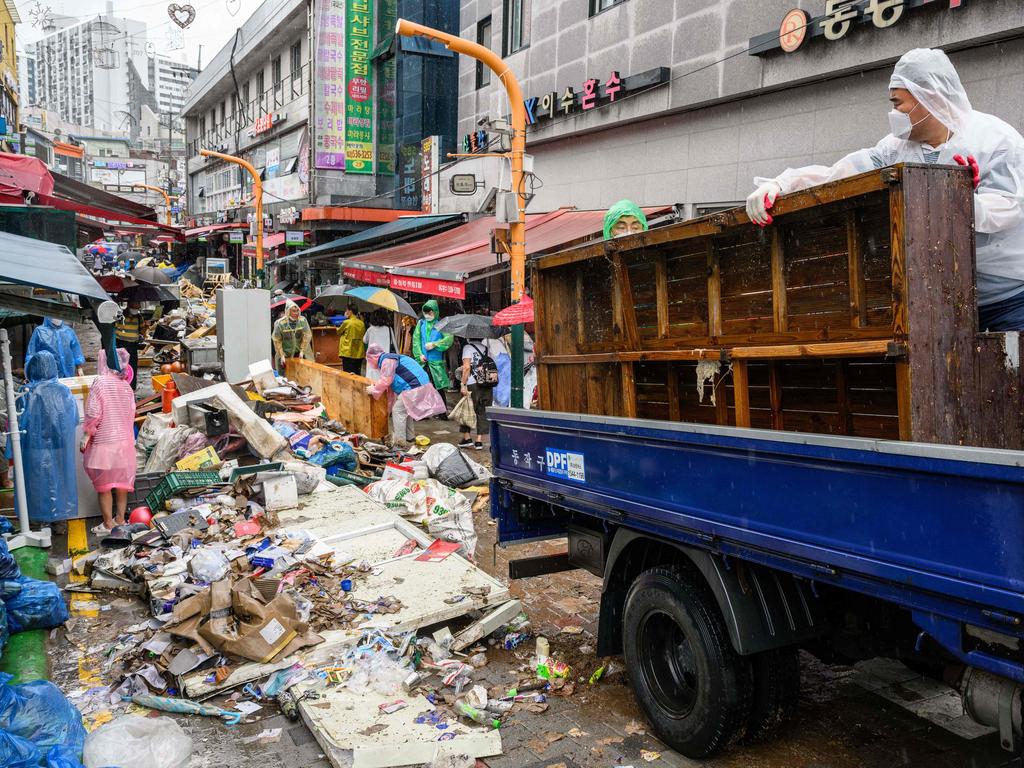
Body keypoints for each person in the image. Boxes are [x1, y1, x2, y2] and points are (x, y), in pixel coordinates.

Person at [746, 48, 1024, 331]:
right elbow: (839, 175)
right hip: (942, 301)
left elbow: (1010, 207)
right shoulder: (895, 148)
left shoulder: (995, 140)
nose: (893, 113)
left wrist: (962, 200)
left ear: (931, 96)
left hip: (1008, 298)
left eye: (898, 102)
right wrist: (782, 183)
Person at [82, 348, 137, 534]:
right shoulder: (126, 387)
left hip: (104, 444)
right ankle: (120, 519)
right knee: (121, 485)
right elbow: (131, 415)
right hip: (124, 445)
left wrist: (87, 434)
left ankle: (107, 524)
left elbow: (93, 412)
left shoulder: (100, 383)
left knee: (104, 487)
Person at [20, 351, 78, 524]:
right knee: (59, 481)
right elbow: (73, 419)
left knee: (36, 483)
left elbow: (17, 421)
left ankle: (37, 521)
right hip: (59, 444)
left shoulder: (25, 392)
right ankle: (58, 521)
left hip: (33, 446)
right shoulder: (63, 390)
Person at [365, 343, 446, 448]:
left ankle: (400, 443)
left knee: (398, 411)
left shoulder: (387, 360)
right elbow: (389, 386)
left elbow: (386, 380)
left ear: (373, 357)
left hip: (414, 386)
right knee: (405, 410)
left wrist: (374, 389)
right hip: (419, 385)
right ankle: (409, 437)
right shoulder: (389, 358)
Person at [458, 335, 507, 449]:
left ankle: (467, 438)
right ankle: (479, 441)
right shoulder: (486, 348)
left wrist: (462, 384)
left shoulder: (467, 348)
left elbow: (466, 368)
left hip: (472, 383)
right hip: (486, 383)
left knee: (468, 410)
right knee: (483, 410)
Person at [412, 299, 454, 391]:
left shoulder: (441, 324)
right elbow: (416, 340)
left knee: (438, 391)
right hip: (423, 362)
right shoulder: (421, 323)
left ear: (435, 311)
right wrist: (419, 355)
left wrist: (435, 344)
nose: (428, 315)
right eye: (426, 313)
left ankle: (441, 405)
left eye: (430, 313)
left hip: (436, 364)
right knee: (422, 389)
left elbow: (449, 339)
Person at [271, 299, 313, 370]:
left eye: (297, 310)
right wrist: (282, 355)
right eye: (294, 311)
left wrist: (302, 351)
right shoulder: (280, 323)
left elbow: (307, 336)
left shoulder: (302, 321)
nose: (296, 313)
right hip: (285, 354)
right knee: (284, 377)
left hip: (299, 354)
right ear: (288, 311)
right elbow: (277, 340)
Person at [115, 301, 144, 391]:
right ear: (129, 305)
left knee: (132, 366)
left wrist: (143, 331)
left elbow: (142, 330)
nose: (137, 309)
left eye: (138, 308)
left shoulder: (139, 317)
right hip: (121, 343)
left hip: (133, 345)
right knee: (120, 366)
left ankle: (131, 387)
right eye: (135, 307)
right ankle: (119, 387)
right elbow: (113, 325)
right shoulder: (120, 315)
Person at [362, 310, 397, 381]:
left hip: (372, 359)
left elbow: (364, 340)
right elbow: (394, 344)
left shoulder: (370, 329)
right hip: (385, 359)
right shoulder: (389, 329)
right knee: (384, 380)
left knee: (371, 380)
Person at [337, 303, 366, 375]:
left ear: (350, 311)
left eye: (347, 310)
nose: (346, 312)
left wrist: (345, 318)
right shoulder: (362, 323)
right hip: (359, 352)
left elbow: (338, 332)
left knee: (347, 374)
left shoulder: (346, 322)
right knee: (357, 373)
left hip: (348, 351)